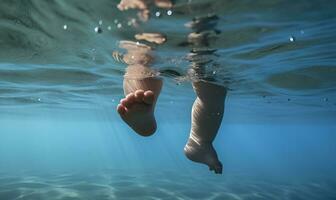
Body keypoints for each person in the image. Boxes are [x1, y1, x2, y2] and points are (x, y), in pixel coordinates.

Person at [116, 0, 227, 174]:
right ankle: (200, 142)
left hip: (160, 30)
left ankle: (146, 107)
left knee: (144, 61)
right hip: (195, 38)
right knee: (213, 90)